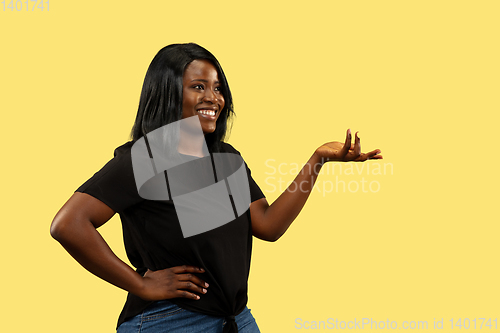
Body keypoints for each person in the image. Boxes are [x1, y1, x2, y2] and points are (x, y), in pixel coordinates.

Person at [50, 43, 382, 333]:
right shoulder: (143, 160)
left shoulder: (225, 158)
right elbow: (68, 224)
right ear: (167, 92)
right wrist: (140, 284)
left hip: (235, 319)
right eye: (198, 86)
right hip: (170, 322)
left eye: (218, 88)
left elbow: (267, 225)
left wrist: (318, 160)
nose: (214, 98)